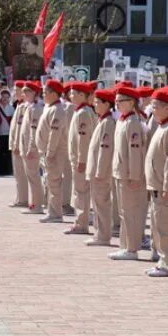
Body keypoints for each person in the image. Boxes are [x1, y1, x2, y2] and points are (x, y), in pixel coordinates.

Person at [143, 87, 168, 277]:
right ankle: (162, 260)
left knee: (166, 227)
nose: (153, 109)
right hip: (156, 184)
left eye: (156, 106)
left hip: (164, 186)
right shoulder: (163, 126)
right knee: (158, 226)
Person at [108, 86, 148, 261]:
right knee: (124, 211)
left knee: (131, 212)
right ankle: (125, 245)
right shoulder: (123, 120)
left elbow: (135, 151)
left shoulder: (133, 122)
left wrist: (134, 175)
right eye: (116, 101)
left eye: (120, 101)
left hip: (129, 174)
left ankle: (131, 248)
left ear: (131, 102)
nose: (116, 104)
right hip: (120, 172)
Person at [85, 88, 117, 246]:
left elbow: (106, 150)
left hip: (101, 171)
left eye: (98, 102)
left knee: (102, 203)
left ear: (106, 104)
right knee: (97, 203)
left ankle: (103, 235)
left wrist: (100, 171)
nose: (95, 105)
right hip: (97, 169)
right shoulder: (102, 120)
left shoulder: (108, 123)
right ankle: (99, 233)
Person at [65, 82, 96, 235]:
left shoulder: (83, 112)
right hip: (78, 159)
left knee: (81, 192)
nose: (71, 96)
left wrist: (82, 160)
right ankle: (80, 221)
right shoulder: (81, 111)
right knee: (79, 191)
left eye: (74, 93)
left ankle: (81, 223)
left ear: (82, 95)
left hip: (80, 160)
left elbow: (83, 140)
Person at [35, 79, 68, 223]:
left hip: (54, 152)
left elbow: (54, 135)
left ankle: (55, 214)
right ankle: (52, 211)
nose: (43, 95)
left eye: (45, 92)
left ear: (54, 94)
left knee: (54, 182)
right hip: (48, 152)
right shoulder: (50, 107)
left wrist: (50, 152)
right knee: (49, 182)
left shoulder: (58, 110)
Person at [19, 81, 45, 214]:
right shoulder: (29, 107)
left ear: (34, 93)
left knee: (34, 177)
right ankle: (34, 203)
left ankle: (37, 205)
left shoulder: (36, 108)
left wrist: (31, 148)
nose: (23, 94)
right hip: (26, 147)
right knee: (31, 177)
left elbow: (34, 131)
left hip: (31, 149)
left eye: (26, 91)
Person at [8, 82, 29, 207]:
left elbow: (21, 129)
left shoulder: (25, 107)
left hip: (20, 145)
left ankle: (23, 199)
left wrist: (17, 144)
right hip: (16, 144)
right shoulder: (19, 105)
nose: (14, 92)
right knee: (18, 174)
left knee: (22, 174)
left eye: (17, 90)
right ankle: (20, 197)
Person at [0, 89, 14, 177]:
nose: (5, 99)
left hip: (9, 134)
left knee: (8, 153)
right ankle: (0, 170)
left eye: (7, 97)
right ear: (0, 97)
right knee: (0, 153)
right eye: (3, 97)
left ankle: (8, 170)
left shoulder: (11, 108)